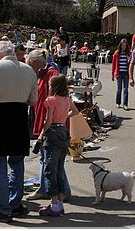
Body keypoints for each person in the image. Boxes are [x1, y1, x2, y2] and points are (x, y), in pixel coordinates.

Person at [0, 41, 38, 223]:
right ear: (12, 53)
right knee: (17, 164)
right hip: (19, 119)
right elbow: (33, 102)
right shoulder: (28, 70)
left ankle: (3, 210)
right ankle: (15, 204)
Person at [26, 50, 71, 202]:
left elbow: (60, 94)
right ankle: (45, 189)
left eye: (31, 64)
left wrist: (43, 133)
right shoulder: (40, 74)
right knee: (47, 160)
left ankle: (60, 194)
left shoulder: (52, 73)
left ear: (35, 62)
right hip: (46, 120)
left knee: (52, 162)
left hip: (51, 126)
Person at [37, 74, 79, 217]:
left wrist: (42, 134)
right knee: (59, 168)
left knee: (49, 169)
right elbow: (75, 111)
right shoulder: (67, 99)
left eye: (49, 85)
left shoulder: (50, 101)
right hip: (63, 131)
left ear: (53, 87)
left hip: (53, 133)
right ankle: (60, 203)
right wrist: (63, 116)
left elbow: (48, 121)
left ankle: (54, 204)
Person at [111, 39, 131, 110]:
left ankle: (125, 104)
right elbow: (113, 64)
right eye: (122, 45)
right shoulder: (117, 53)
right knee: (119, 89)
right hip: (119, 73)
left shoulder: (128, 53)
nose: (123, 47)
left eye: (125, 45)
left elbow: (131, 63)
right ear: (120, 45)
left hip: (126, 73)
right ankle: (118, 103)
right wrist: (112, 74)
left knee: (126, 89)